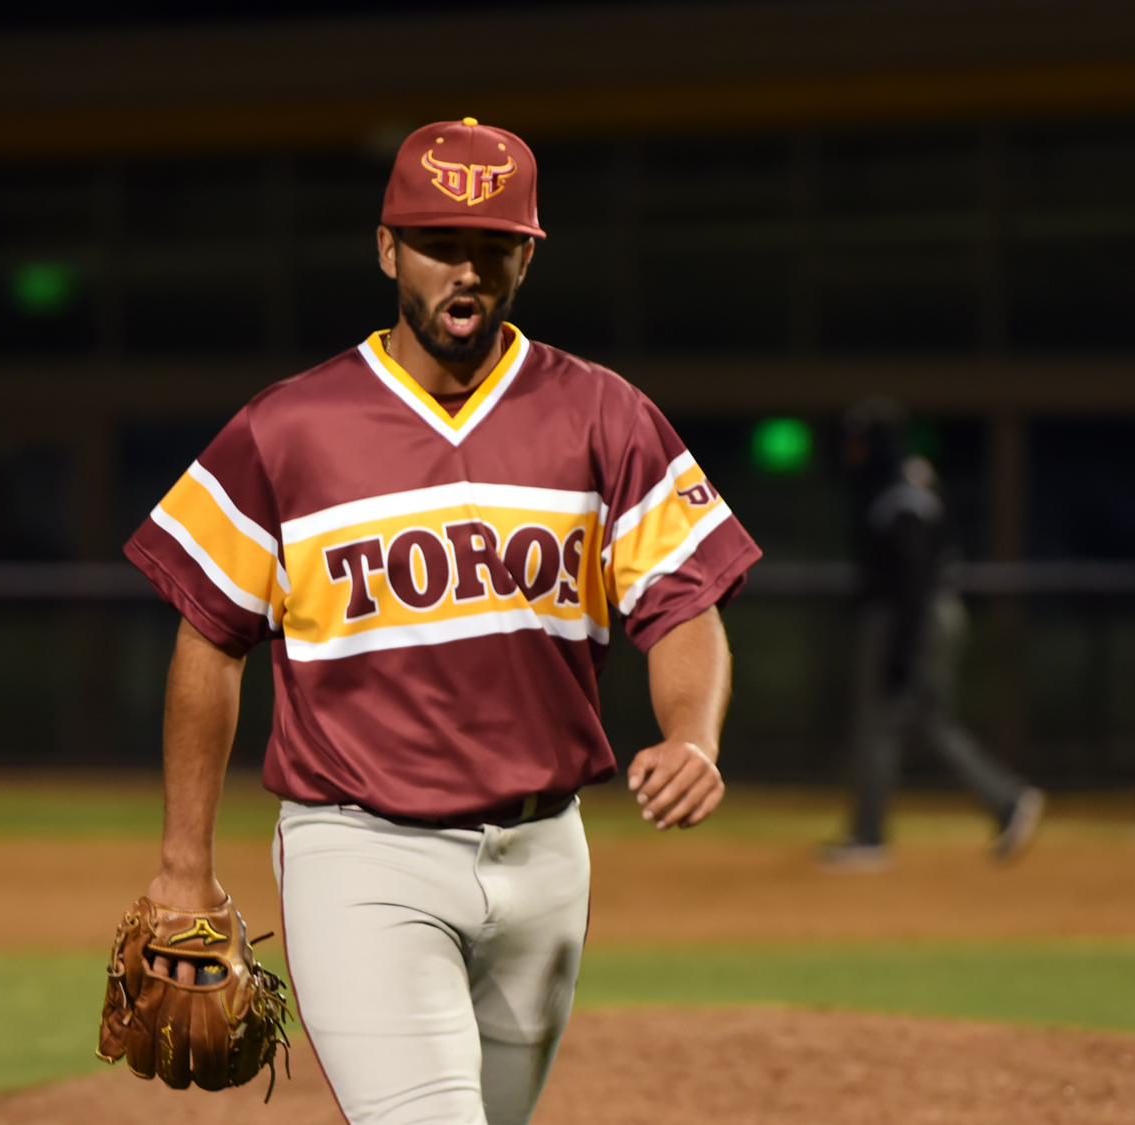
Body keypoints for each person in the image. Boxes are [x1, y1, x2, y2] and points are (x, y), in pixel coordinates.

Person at [120, 118, 760, 1124]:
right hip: (360, 851)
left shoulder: (603, 415)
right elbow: (211, 636)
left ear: (526, 258)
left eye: (492, 246)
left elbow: (683, 601)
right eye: (437, 243)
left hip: (546, 854)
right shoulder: (287, 428)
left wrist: (692, 734)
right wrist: (181, 866)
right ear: (387, 250)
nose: (465, 269)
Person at [819, 399, 1043, 873]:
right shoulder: (906, 483)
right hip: (922, 613)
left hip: (912, 616)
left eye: (859, 441)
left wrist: (902, 645)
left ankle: (869, 838)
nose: (852, 450)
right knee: (927, 721)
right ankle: (1006, 800)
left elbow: (914, 575)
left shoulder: (900, 494)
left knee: (881, 723)